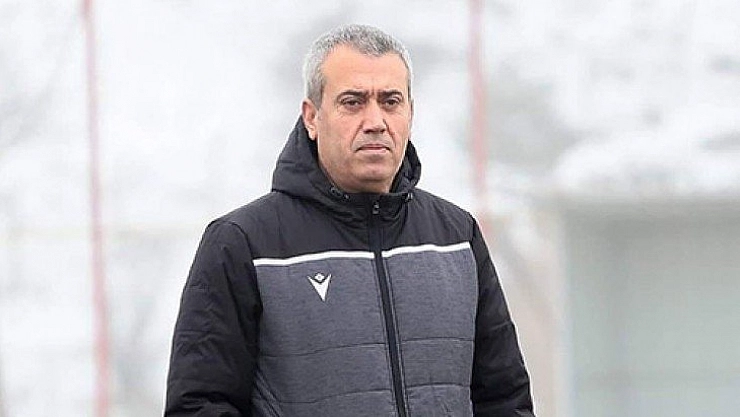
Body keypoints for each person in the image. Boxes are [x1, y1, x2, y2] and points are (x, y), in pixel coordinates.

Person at [165, 24, 534, 417]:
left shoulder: (457, 238)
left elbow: (505, 400)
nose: (375, 121)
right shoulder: (243, 244)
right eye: (353, 102)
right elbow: (199, 405)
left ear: (410, 113)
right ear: (312, 117)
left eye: (390, 101)